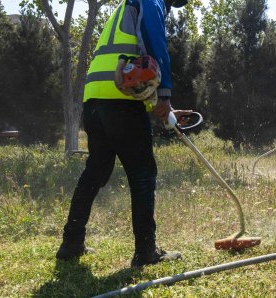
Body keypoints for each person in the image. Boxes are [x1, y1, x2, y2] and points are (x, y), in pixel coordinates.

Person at [56, 0, 190, 268]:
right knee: (143, 173)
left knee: (96, 170)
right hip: (120, 100)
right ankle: (145, 251)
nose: (171, 7)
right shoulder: (151, 2)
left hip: (95, 96)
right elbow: (155, 45)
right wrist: (164, 95)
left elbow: (131, 63)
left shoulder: (126, 8)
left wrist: (159, 104)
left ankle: (71, 242)